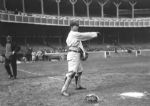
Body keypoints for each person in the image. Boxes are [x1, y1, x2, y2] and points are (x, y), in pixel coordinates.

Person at [61, 21, 99, 96]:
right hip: (73, 54)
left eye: (78, 25)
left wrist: (83, 53)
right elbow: (84, 35)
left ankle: (78, 86)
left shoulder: (76, 35)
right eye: (76, 25)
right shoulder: (73, 33)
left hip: (76, 54)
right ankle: (64, 90)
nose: (78, 26)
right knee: (72, 72)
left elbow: (80, 45)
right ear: (71, 26)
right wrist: (95, 34)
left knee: (80, 71)